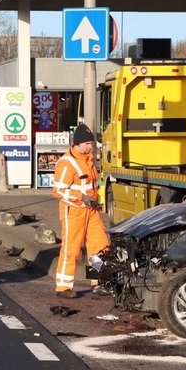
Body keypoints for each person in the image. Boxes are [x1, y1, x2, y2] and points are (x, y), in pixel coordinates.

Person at [52, 123, 109, 299]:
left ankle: (98, 282)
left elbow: (93, 184)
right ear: (77, 144)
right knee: (71, 248)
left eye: (91, 144)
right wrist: (82, 197)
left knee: (100, 246)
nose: (91, 147)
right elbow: (58, 190)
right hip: (73, 211)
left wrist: (98, 196)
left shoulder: (89, 160)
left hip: (91, 211)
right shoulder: (66, 163)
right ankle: (63, 287)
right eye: (87, 144)